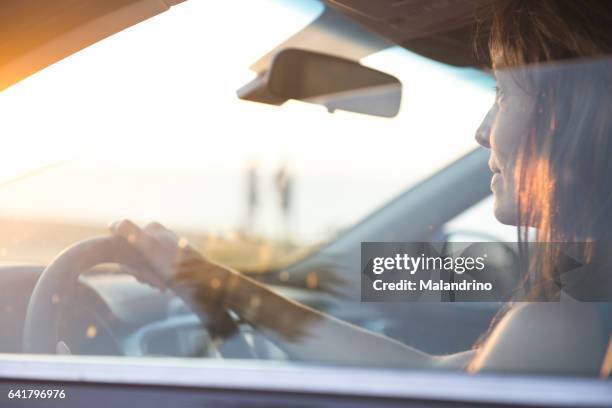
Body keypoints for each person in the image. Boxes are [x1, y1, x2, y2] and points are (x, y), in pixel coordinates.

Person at [109, 0, 612, 374]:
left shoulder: (563, 325)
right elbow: (427, 377)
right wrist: (217, 281)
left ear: (566, 119)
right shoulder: (582, 305)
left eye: (502, 92)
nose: (482, 131)